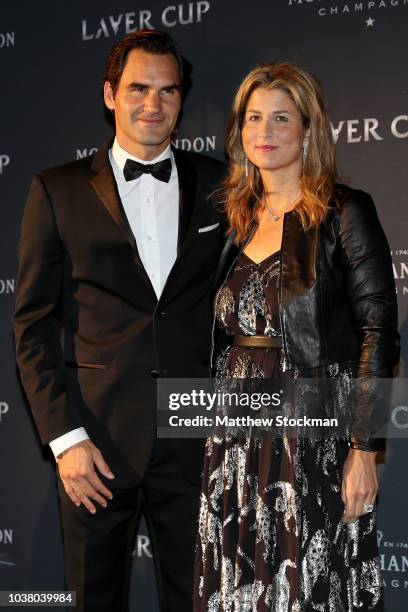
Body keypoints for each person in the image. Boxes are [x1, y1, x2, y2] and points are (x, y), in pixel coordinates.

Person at [14, 29, 225, 612]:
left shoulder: (222, 185)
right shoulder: (56, 191)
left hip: (196, 437)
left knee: (199, 597)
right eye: (138, 88)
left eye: (168, 91)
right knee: (94, 599)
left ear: (181, 100)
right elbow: (31, 327)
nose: (153, 105)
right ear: (110, 94)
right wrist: (64, 439)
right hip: (95, 441)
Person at [194, 62, 399, 611]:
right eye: (253, 117)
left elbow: (378, 329)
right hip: (235, 432)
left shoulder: (344, 211)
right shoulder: (234, 217)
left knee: (304, 582)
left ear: (309, 130)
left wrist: (363, 449)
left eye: (281, 118)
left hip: (311, 432)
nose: (264, 131)